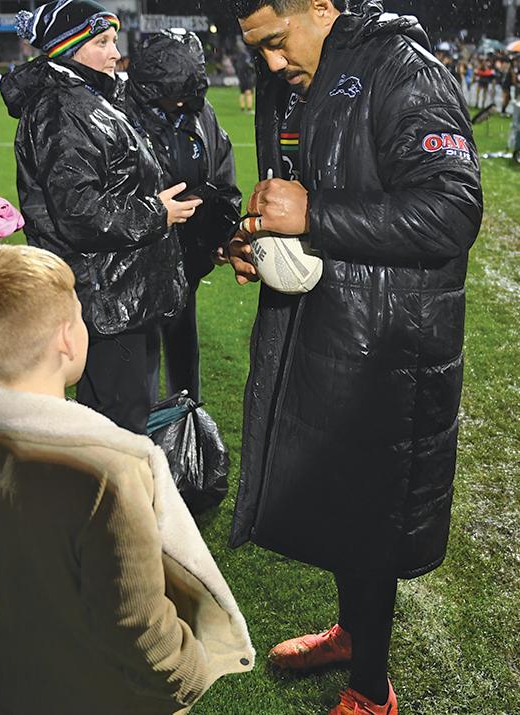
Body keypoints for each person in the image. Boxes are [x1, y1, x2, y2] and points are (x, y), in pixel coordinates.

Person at [227, 1, 482, 714]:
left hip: (391, 340)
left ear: (320, 7)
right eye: (257, 50)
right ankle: (350, 633)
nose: (271, 63)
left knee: (370, 512)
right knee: (342, 498)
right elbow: (301, 189)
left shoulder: (403, 69)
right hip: (325, 322)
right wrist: (259, 242)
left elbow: (452, 209)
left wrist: (314, 215)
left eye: (277, 42)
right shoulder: (293, 81)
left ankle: (372, 692)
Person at [0, 244, 254, 714]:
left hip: (10, 680)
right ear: (67, 339)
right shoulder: (112, 468)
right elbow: (136, 621)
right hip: (107, 695)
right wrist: (189, 672)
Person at [0, 0, 201, 435]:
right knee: (117, 428)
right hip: (105, 299)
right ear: (69, 49)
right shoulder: (62, 108)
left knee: (115, 420)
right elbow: (80, 212)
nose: (115, 53)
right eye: (103, 42)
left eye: (114, 41)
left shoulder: (87, 97)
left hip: (118, 293)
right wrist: (158, 212)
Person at [126, 29, 242, 402]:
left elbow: (221, 176)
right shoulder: (122, 114)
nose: (181, 101)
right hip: (134, 264)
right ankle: (137, 429)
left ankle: (187, 423)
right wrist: (153, 214)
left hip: (187, 257)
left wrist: (222, 234)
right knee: (138, 364)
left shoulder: (201, 113)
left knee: (183, 351)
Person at [232, 45, 256, 113]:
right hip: (247, 78)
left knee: (242, 93)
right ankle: (249, 109)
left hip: (241, 78)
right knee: (249, 93)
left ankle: (242, 109)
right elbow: (249, 66)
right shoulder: (246, 56)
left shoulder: (237, 58)